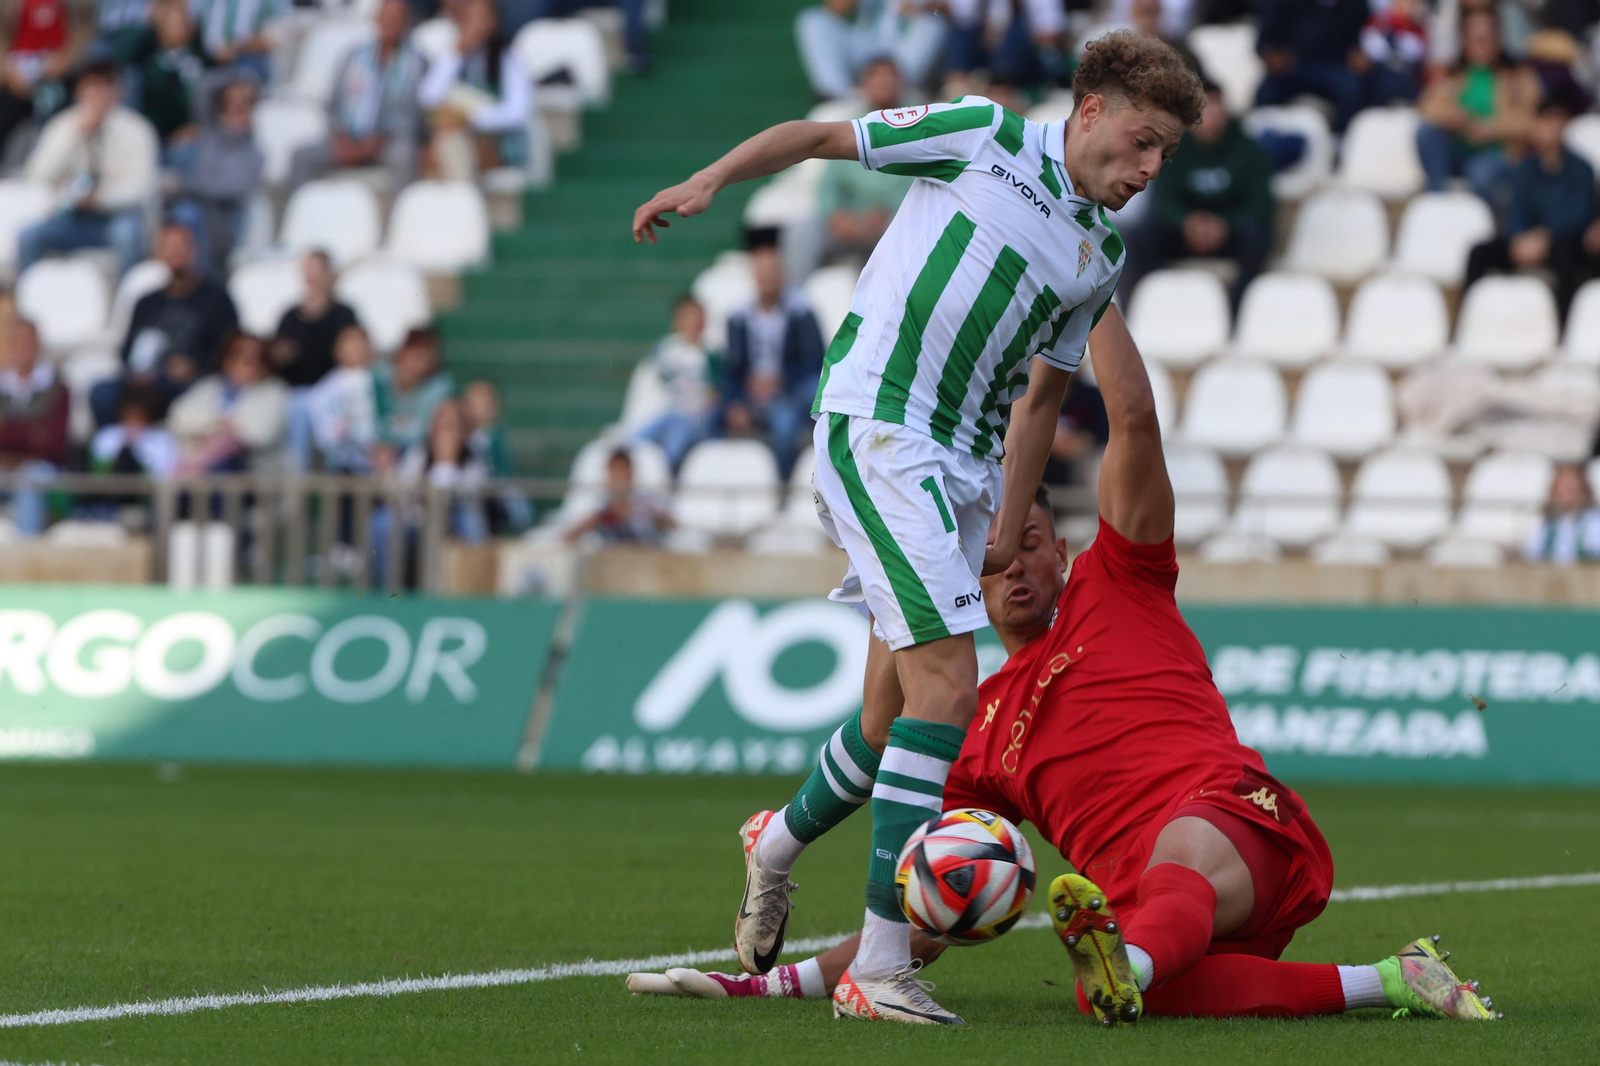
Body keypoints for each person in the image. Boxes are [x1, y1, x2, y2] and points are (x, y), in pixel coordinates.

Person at [626, 305, 1500, 1029]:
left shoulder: (1123, 581)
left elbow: (1136, 419)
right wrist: (776, 982)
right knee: (1111, 994)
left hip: (1229, 825)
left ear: (1061, 550)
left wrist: (1091, 288)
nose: (1009, 568)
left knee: (1175, 862)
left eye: (1026, 546)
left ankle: (1136, 956)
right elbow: (926, 908)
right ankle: (1392, 979)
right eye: (990, 560)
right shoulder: (964, 720)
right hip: (1134, 912)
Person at [631, 29, 1204, 1024]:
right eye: (1143, 142)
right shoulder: (980, 136)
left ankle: (772, 842)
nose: (1149, 169)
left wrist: (1004, 521)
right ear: (1091, 113)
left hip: (971, 468)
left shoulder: (1097, 252)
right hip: (881, 423)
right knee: (950, 678)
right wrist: (708, 180)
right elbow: (818, 138)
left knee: (890, 716)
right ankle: (878, 966)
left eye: (1166, 156)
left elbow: (1038, 404)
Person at [1121, 80, 1273, 313]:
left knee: (1257, 238)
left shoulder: (1249, 148)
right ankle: (1148, 307)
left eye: (1216, 107)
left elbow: (1260, 203)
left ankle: (1238, 311)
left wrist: (1224, 224)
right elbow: (1164, 199)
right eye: (1204, 109)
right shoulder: (1174, 149)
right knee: (1140, 236)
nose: (1211, 116)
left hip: (1230, 233)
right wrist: (1188, 222)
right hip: (1185, 232)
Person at [1463, 98, 1600, 321]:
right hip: (1530, 242)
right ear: (1536, 125)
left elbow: (1580, 215)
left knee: (1565, 253)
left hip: (1565, 242)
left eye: (1558, 122)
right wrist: (1519, 238)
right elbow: (1516, 210)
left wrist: (1546, 237)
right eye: (1548, 122)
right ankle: (1468, 320)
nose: (1553, 129)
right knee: (1479, 253)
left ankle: (1566, 329)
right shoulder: (1525, 167)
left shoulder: (1582, 168)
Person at [18, 60, 157, 279]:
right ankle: (21, 309)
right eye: (92, 87)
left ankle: (124, 307)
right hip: (71, 216)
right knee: (28, 237)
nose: (97, 96)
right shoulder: (63, 125)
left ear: (116, 92)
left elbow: (141, 188)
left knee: (127, 235)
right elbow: (37, 175)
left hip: (116, 218)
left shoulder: (137, 129)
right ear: (79, 91)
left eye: (104, 88)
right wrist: (74, 136)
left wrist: (100, 198)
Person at [93, 221, 239, 425]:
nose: (175, 252)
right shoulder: (146, 301)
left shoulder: (217, 299)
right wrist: (136, 372)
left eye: (181, 246)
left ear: (194, 250)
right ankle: (118, 450)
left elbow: (231, 349)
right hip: (145, 380)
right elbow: (126, 348)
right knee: (101, 393)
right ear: (158, 254)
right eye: (168, 247)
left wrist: (194, 366)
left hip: (193, 382)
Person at [286, 0, 425, 193]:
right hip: (348, 138)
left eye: (397, 18)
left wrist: (377, 140)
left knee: (404, 154)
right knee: (302, 155)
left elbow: (415, 114)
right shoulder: (354, 57)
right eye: (387, 16)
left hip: (388, 141)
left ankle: (400, 218)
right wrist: (341, 136)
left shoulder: (416, 62)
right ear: (375, 19)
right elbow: (333, 103)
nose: (391, 22)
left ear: (406, 22)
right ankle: (298, 216)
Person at [718, 234, 824, 480]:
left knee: (789, 421)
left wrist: (779, 379)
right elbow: (732, 369)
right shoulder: (738, 316)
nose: (768, 277)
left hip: (789, 390)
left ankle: (785, 484)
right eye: (762, 271)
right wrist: (736, 401)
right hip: (753, 395)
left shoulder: (801, 311)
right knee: (711, 419)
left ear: (783, 274)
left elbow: (816, 360)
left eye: (773, 270)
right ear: (753, 275)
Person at [1415, 7, 1537, 209]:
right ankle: (1437, 203)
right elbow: (1425, 107)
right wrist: (1452, 117)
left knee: (1480, 173)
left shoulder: (1519, 76)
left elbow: (1532, 121)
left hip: (1501, 153)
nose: (1481, 44)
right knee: (1426, 133)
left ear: (1498, 39)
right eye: (1475, 38)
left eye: (1486, 37)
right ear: (1463, 40)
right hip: (1460, 150)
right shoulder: (1453, 76)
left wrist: (1492, 128)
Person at [811, 57, 913, 270]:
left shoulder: (917, 127)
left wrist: (884, 213)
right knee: (805, 231)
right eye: (877, 76)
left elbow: (920, 182)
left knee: (897, 228)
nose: (884, 82)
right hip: (848, 221)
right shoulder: (848, 126)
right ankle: (793, 300)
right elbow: (828, 184)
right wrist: (836, 215)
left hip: (891, 219)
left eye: (890, 76)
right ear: (864, 85)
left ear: (901, 84)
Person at [417, 0, 531, 183]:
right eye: (471, 19)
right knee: (442, 145)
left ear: (493, 21)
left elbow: (517, 112)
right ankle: (461, 200)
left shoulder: (507, 56)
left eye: (482, 18)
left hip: (498, 142)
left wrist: (471, 118)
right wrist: (459, 50)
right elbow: (428, 96)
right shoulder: (454, 55)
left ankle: (462, 200)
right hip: (459, 137)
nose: (476, 25)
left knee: (450, 146)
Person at [169, 75, 263, 276]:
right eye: (231, 103)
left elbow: (227, 191)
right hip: (199, 210)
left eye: (244, 104)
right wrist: (234, 77)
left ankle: (201, 278)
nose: (237, 109)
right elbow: (202, 88)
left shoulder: (253, 153)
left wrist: (184, 187)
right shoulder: (209, 135)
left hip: (227, 219)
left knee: (188, 210)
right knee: (184, 210)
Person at [167, 331, 288, 474]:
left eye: (256, 359)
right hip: (196, 470)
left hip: (250, 475)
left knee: (223, 466)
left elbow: (260, 434)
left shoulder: (274, 391)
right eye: (241, 357)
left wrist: (221, 435)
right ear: (226, 360)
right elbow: (178, 419)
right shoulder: (209, 386)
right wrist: (218, 423)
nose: (251, 365)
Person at [1252, 0, 1369, 133]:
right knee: (1266, 92)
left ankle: (1341, 141)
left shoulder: (1354, 4)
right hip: (1291, 66)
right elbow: (1264, 41)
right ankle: (1258, 138)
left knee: (1351, 89)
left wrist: (1360, 55)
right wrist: (1273, 56)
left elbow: (1364, 36)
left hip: (1335, 65)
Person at [794, 0, 946, 100]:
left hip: (904, 51)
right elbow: (833, 10)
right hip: (865, 45)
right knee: (813, 20)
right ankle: (839, 98)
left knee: (934, 24)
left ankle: (897, 93)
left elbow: (952, 10)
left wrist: (923, 7)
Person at [631, 293, 714, 471]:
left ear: (703, 321)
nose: (691, 323)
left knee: (674, 448)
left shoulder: (712, 355)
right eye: (686, 317)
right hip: (667, 413)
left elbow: (713, 395)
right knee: (633, 442)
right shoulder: (664, 350)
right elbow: (649, 383)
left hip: (692, 418)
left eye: (695, 318)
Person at [0, 317, 68, 535]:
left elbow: (54, 443)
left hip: (42, 469)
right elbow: (39, 437)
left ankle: (27, 555)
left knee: (29, 480)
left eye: (28, 340)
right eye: (17, 340)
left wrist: (8, 431)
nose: (23, 346)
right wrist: (31, 432)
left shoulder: (57, 388)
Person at [0, 0, 83, 157]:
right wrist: (7, 71)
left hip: (57, 67)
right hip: (15, 67)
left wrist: (66, 61)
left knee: (67, 111)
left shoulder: (72, 5)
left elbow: (83, 31)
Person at [269, 250, 357, 390]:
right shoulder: (289, 316)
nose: (312, 275)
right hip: (293, 390)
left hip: (333, 391)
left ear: (329, 273)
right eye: (308, 270)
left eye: (317, 269)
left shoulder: (344, 315)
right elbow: (276, 354)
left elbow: (354, 353)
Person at [298, 323, 378, 473]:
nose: (356, 348)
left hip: (378, 464)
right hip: (340, 466)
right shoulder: (323, 391)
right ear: (337, 350)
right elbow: (324, 434)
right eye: (349, 343)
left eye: (360, 343)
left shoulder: (382, 382)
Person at [943, 0, 1069, 90]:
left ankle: (1001, 87)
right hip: (990, 53)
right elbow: (962, 17)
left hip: (1029, 57)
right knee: (962, 31)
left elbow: (1053, 33)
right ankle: (957, 85)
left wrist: (1009, 36)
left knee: (1016, 30)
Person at [563, 447, 672, 545]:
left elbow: (673, 527)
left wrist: (647, 514)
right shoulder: (599, 505)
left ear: (631, 473)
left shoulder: (646, 502)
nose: (618, 476)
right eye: (614, 471)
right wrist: (600, 517)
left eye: (622, 470)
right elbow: (568, 537)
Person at [375, 326, 453, 456]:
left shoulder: (440, 387)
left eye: (426, 358)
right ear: (402, 353)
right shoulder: (378, 377)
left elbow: (421, 432)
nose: (420, 365)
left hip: (417, 456)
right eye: (416, 356)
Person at [1523, 464, 1600, 565]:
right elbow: (1531, 554)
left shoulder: (1593, 521)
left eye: (1572, 489)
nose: (1567, 494)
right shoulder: (1544, 523)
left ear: (1582, 491)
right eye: (1563, 489)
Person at [189, 0, 279, 84]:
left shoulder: (265, 3)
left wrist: (237, 47)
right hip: (206, 59)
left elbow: (273, 37)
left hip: (247, 59)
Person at [1360, 0, 1427, 107]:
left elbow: (1416, 55)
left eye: (1412, 3)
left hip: (1406, 81)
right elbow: (1371, 50)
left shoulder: (1418, 30)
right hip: (1378, 78)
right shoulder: (1378, 22)